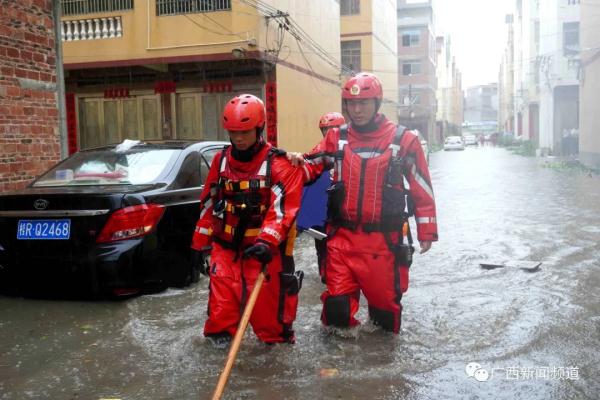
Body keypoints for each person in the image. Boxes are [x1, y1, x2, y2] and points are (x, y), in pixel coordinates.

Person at [289, 72, 438, 334]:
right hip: (341, 241)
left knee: (384, 320)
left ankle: (383, 372)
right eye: (350, 104)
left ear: (377, 103)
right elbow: (308, 167)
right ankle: (337, 372)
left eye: (363, 104)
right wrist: (290, 161)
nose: (356, 110)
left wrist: (427, 231)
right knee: (336, 313)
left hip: (383, 244)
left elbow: (421, 187)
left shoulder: (404, 140)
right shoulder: (336, 137)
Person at [190, 94, 304, 344]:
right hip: (226, 252)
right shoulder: (220, 161)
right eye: (233, 132)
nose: (238, 139)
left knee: (273, 333)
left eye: (245, 132)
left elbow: (282, 210)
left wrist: (266, 241)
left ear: (259, 127)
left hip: (264, 256)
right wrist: (199, 245)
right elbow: (208, 203)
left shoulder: (279, 164)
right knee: (218, 326)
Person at [296, 112, 346, 283]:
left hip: (345, 211)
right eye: (325, 130)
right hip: (323, 211)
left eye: (332, 129)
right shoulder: (318, 151)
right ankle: (325, 276)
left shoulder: (351, 151)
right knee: (322, 246)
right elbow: (306, 171)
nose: (328, 134)